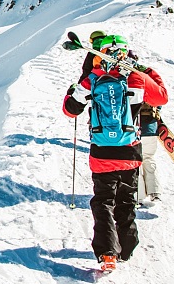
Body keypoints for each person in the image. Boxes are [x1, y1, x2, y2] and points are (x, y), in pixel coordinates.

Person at [62, 34, 168, 271]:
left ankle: (107, 252)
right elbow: (161, 96)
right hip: (130, 151)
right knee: (126, 199)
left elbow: (70, 111)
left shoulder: (93, 80)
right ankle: (127, 247)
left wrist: (74, 90)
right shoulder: (135, 78)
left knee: (103, 201)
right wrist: (145, 70)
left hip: (101, 153)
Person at [137, 103, 162, 204]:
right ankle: (154, 191)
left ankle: (139, 194)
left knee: (135, 162)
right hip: (151, 128)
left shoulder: (131, 87)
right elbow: (159, 102)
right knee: (148, 157)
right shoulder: (152, 87)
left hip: (135, 129)